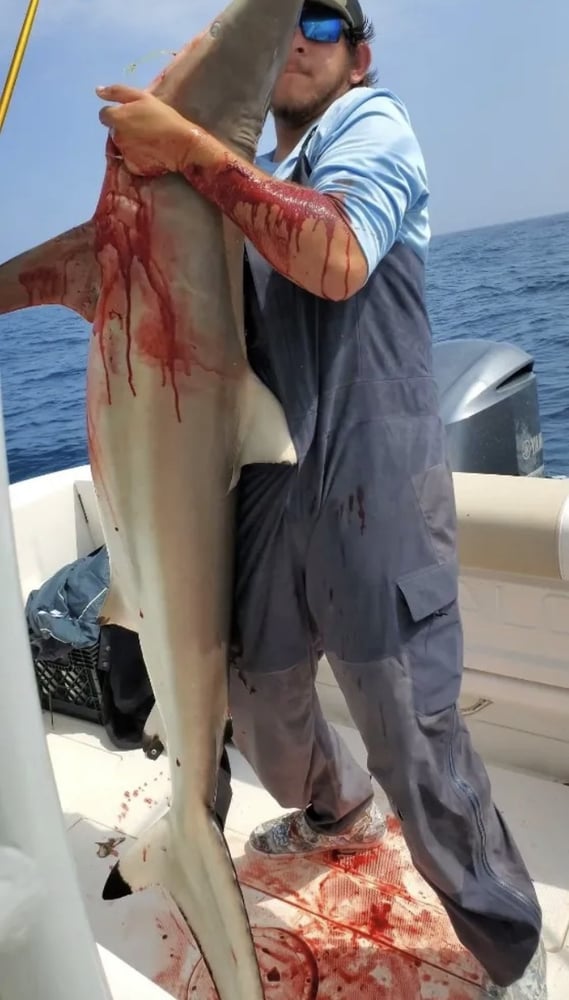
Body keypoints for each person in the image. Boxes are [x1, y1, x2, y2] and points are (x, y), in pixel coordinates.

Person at [96, 2, 546, 996]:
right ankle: (333, 808)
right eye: (283, 20)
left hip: (374, 494)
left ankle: (511, 949)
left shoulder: (370, 128)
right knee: (253, 694)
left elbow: (335, 256)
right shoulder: (251, 177)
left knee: (415, 743)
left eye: (323, 20)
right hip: (269, 494)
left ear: (358, 55)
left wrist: (188, 150)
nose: (296, 35)